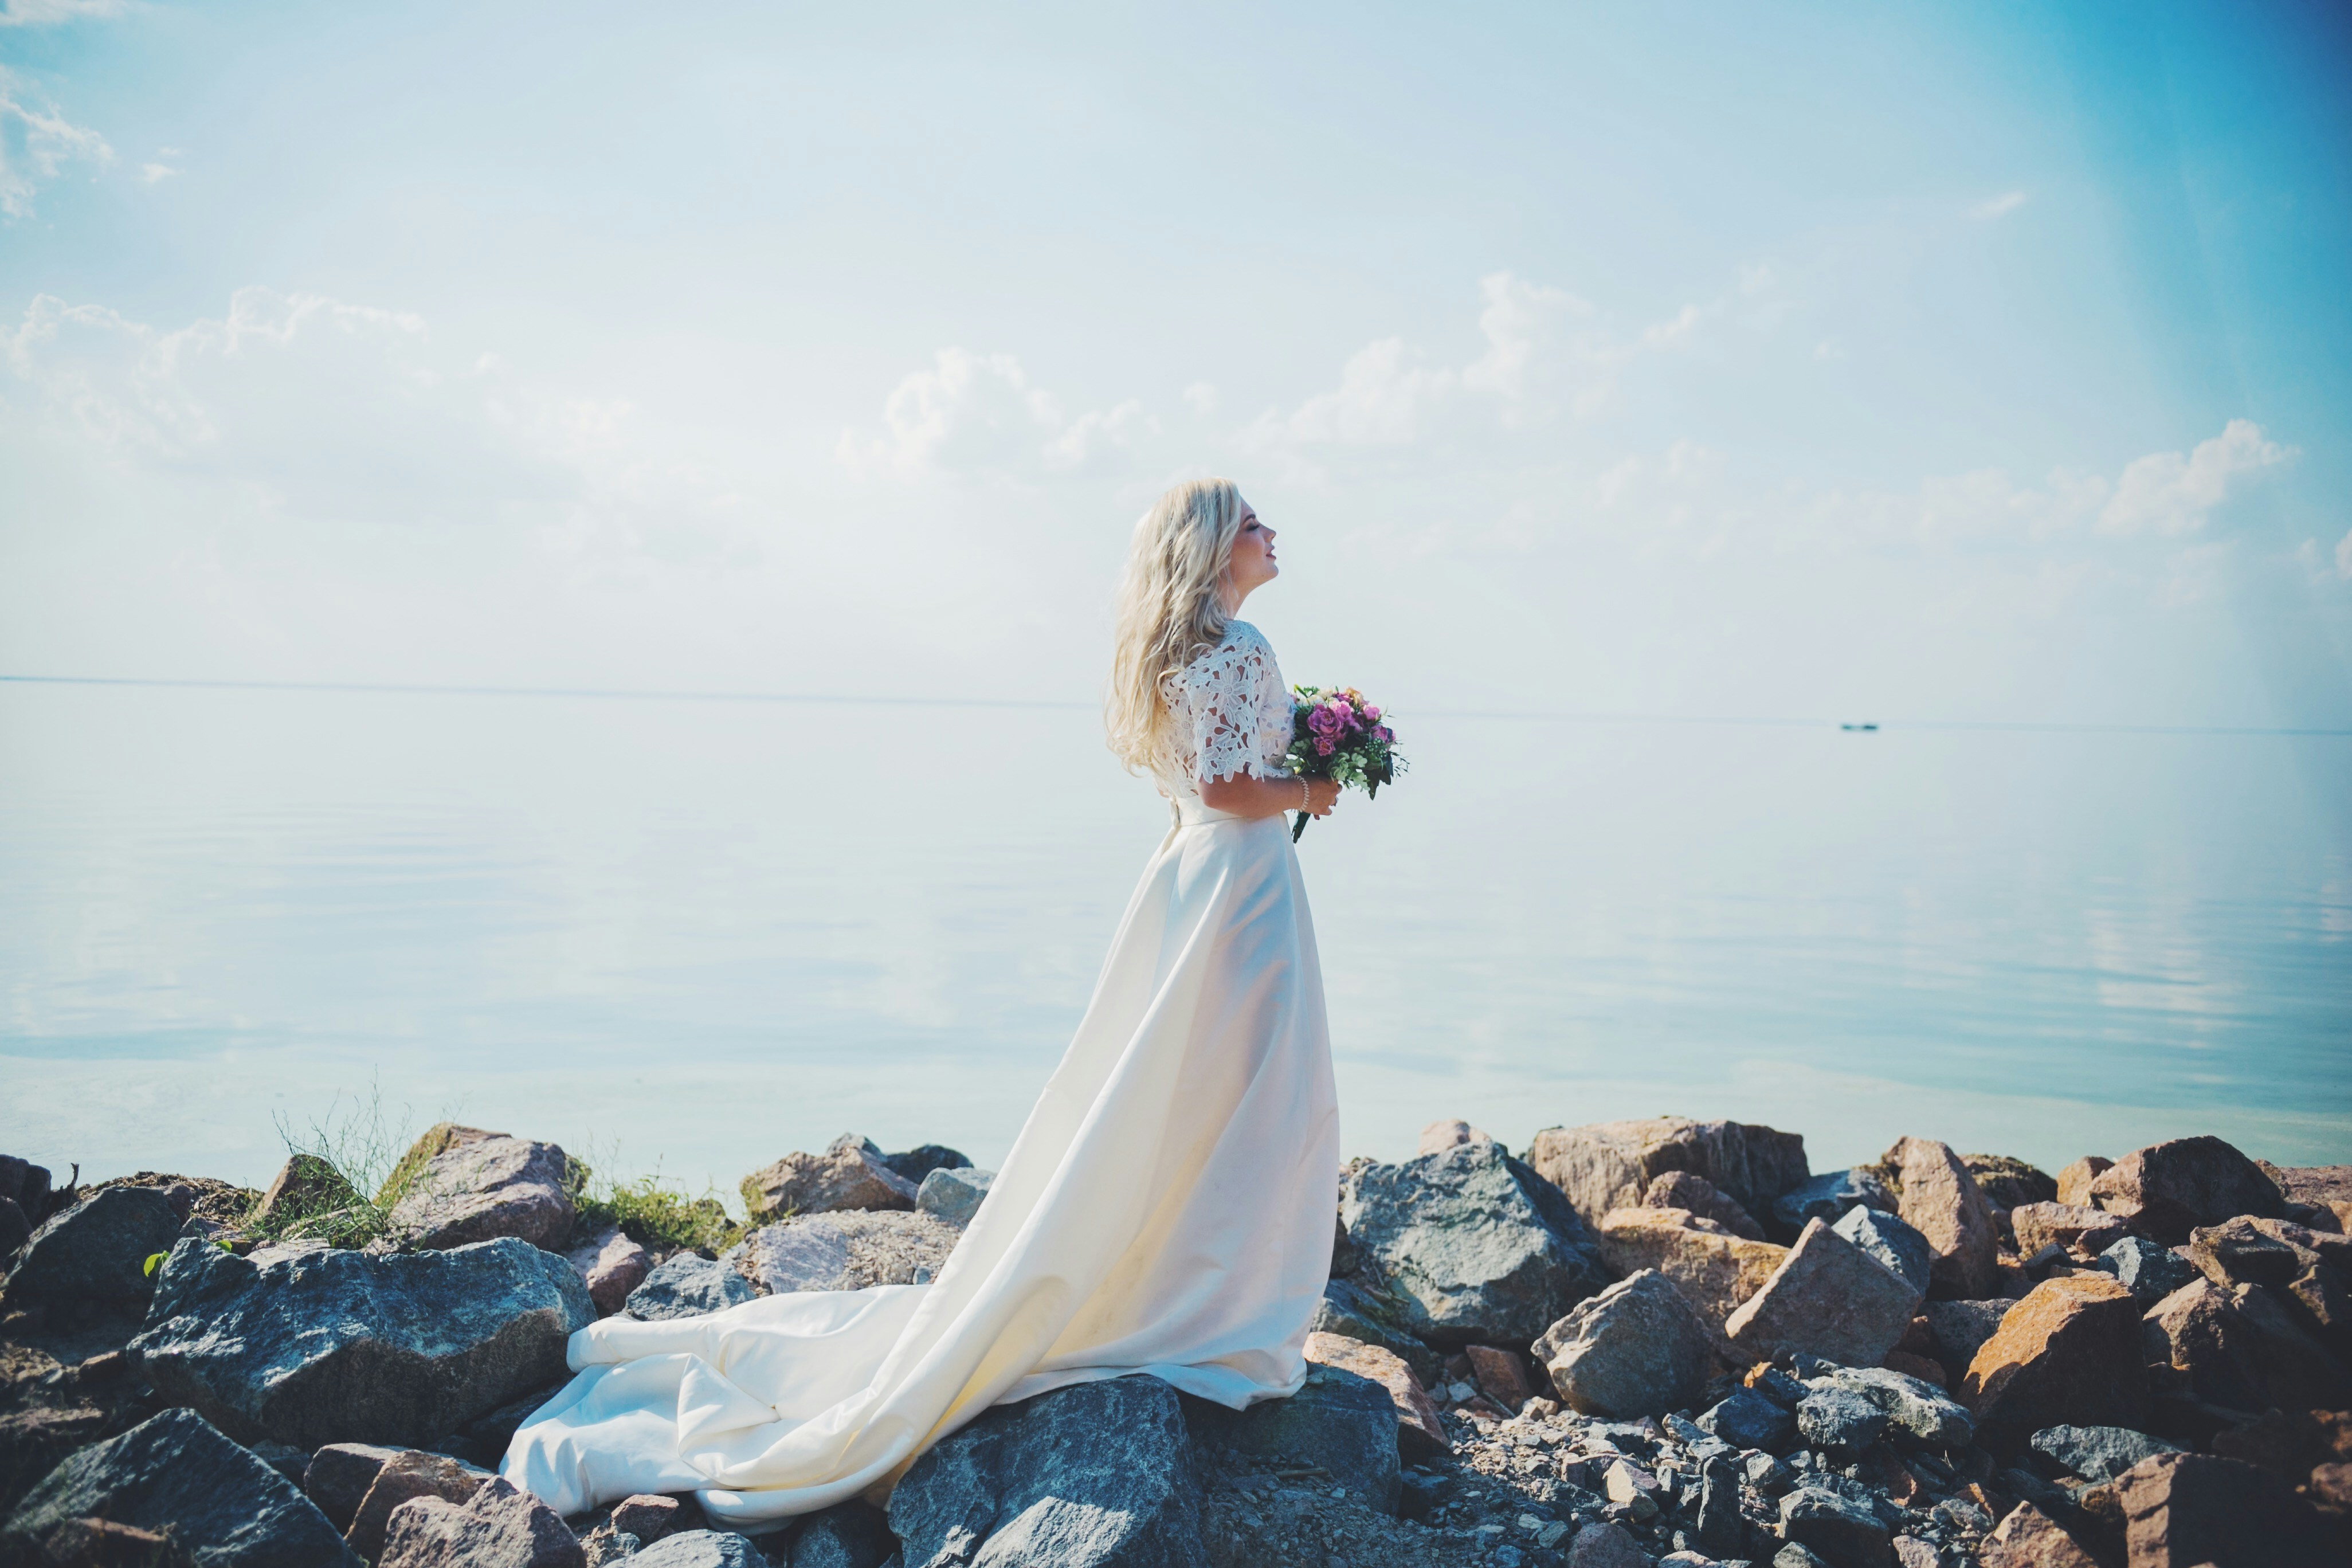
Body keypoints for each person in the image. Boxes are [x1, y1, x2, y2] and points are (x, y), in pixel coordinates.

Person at [501, 476, 1342, 1523]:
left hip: (1192, 883)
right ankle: (1218, 1307)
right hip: (1241, 887)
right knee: (1253, 1096)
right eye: (1255, 523)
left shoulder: (1179, 655)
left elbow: (1205, 785)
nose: (1273, 534)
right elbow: (1229, 789)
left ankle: (1181, 1282)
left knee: (1184, 1095)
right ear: (1217, 549)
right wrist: (1315, 786)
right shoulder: (1239, 654)